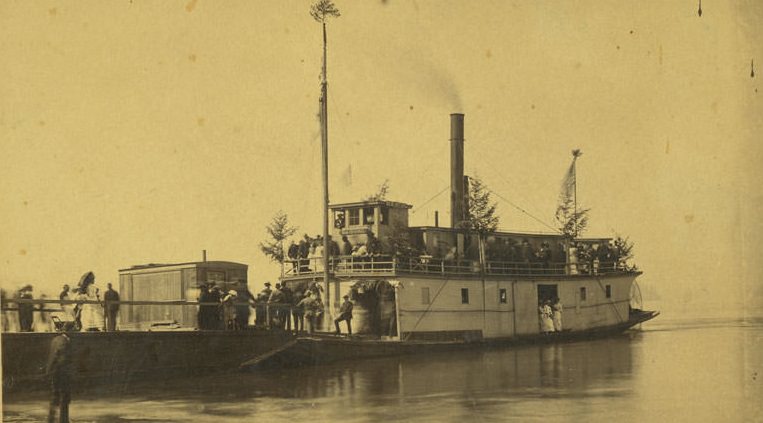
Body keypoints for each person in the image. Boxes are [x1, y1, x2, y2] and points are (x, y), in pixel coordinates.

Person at [46, 324, 73, 423]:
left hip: (53, 372)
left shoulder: (55, 339)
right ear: (69, 331)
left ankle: (51, 419)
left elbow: (52, 356)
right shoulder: (65, 342)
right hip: (62, 372)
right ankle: (63, 420)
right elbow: (63, 359)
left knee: (54, 396)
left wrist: (48, 371)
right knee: (65, 397)